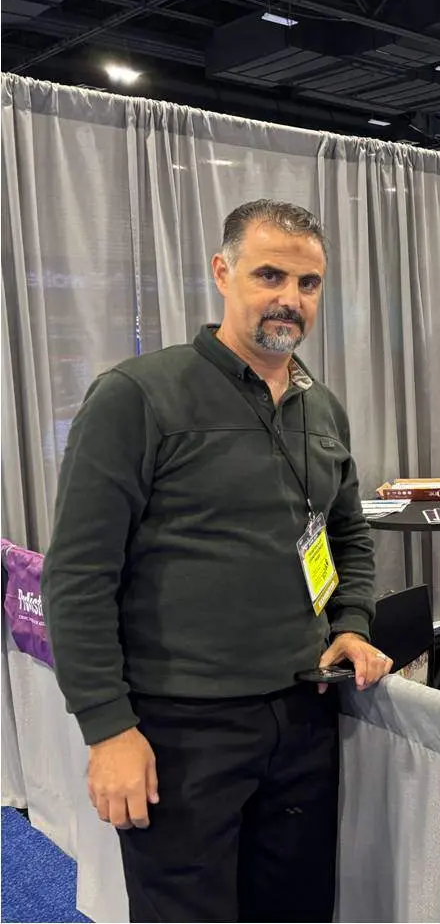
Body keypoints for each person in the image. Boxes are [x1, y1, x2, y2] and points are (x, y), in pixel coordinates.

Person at [42, 199, 391, 922]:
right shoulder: (138, 397)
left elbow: (348, 534)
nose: (290, 299)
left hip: (304, 715)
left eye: (308, 283)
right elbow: (77, 577)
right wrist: (107, 729)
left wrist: (352, 622)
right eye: (270, 275)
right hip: (181, 729)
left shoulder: (321, 408)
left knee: (295, 911)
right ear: (222, 273)